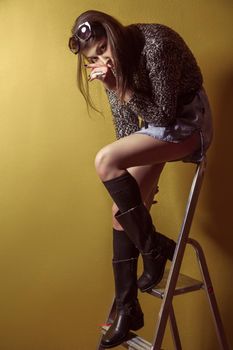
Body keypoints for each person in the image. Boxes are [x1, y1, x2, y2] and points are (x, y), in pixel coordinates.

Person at [68, 10, 213, 348]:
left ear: (115, 34)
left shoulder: (155, 45)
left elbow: (164, 113)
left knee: (104, 159)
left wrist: (118, 86)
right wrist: (135, 174)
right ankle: (128, 307)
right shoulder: (111, 72)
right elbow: (127, 130)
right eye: (94, 57)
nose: (103, 59)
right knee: (121, 213)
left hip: (189, 123)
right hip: (156, 131)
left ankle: (154, 248)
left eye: (105, 48)